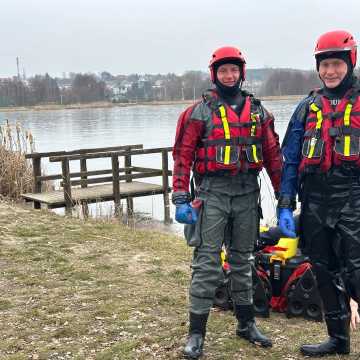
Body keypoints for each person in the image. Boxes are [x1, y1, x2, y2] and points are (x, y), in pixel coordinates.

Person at [172, 46, 282, 358]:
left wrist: (285, 200)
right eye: (223, 70)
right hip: (212, 195)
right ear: (214, 74)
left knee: (243, 261)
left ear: (241, 73)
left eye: (234, 70)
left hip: (248, 194)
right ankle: (196, 333)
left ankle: (246, 324)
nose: (229, 75)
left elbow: (274, 157)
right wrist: (181, 197)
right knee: (207, 263)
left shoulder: (259, 112)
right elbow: (182, 156)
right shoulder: (198, 112)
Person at [278, 30, 360, 357]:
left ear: (349, 63)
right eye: (325, 64)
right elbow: (290, 158)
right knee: (323, 271)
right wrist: (286, 203)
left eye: (337, 64)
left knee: (356, 271)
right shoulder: (306, 107)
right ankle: (338, 340)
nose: (330, 71)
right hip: (313, 199)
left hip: (352, 197)